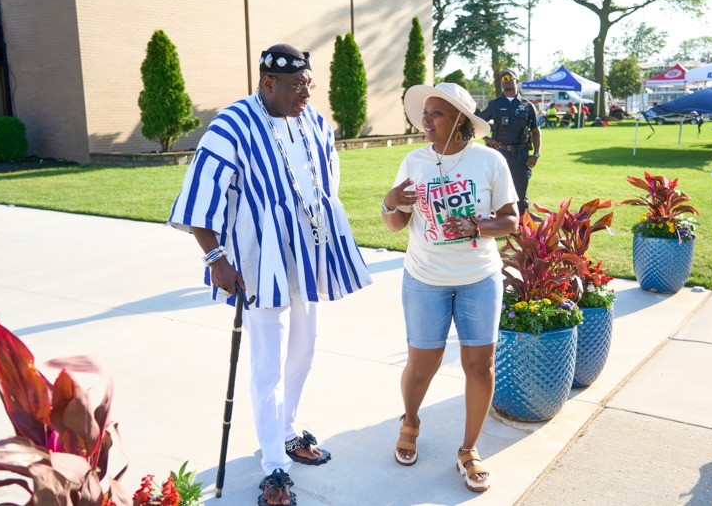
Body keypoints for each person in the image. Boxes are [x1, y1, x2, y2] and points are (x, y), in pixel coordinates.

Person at [169, 44, 372, 506]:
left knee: (305, 348)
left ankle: (287, 431)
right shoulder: (232, 124)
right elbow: (199, 195)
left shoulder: (314, 121)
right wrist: (216, 258)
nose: (307, 93)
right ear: (268, 83)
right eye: (298, 86)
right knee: (268, 362)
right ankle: (274, 466)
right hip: (258, 259)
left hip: (307, 253)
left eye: (309, 84)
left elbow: (327, 183)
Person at [381, 82, 519, 493]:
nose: (426, 119)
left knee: (480, 366)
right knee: (422, 365)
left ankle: (469, 449)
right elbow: (396, 223)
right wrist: (390, 201)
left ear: (461, 120)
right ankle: (410, 421)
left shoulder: (489, 161)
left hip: (479, 278)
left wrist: (477, 226)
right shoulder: (414, 161)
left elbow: (510, 220)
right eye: (425, 112)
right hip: (426, 278)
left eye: (436, 113)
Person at [476, 68, 541, 215]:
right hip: (499, 155)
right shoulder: (494, 104)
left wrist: (536, 154)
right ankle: (499, 219)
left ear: (517, 81)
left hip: (521, 156)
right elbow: (476, 123)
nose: (506, 81)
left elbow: (536, 131)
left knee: (520, 191)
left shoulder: (527, 106)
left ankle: (523, 220)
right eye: (503, 79)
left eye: (509, 78)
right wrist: (487, 138)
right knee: (497, 191)